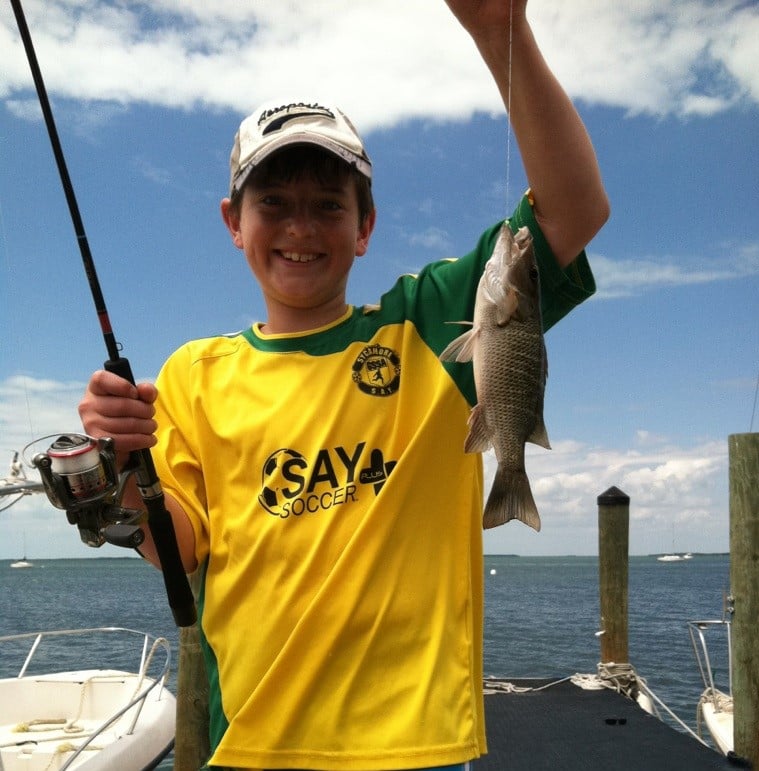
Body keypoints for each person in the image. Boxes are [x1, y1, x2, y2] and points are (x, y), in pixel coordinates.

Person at [78, 1, 609, 769]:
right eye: (274, 203)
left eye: (330, 205)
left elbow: (577, 208)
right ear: (234, 219)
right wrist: (118, 468)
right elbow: (180, 543)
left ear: (365, 227)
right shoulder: (193, 375)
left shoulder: (428, 326)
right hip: (255, 743)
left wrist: (504, 37)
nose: (301, 226)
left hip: (413, 744)